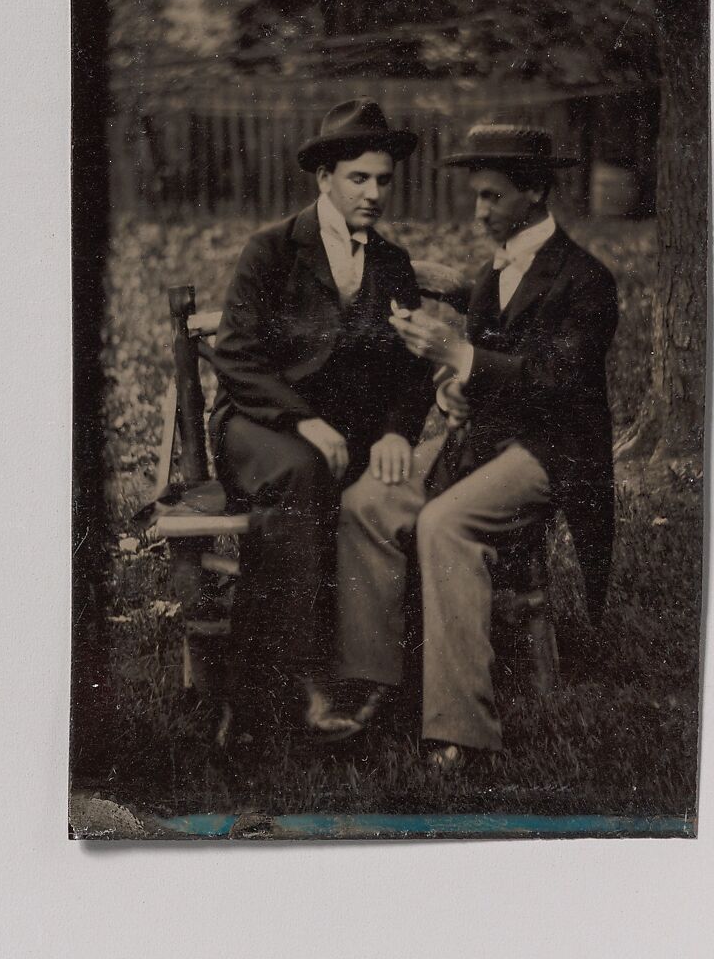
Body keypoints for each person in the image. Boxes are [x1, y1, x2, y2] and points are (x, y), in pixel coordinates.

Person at [335, 122, 619, 770]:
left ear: (535, 193)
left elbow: (556, 382)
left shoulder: (586, 281)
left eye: (491, 197)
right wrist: (451, 393)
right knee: (367, 502)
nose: (479, 211)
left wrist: (459, 354)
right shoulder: (494, 274)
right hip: (485, 437)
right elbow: (486, 373)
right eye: (477, 196)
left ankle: (460, 730)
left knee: (444, 523)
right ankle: (373, 685)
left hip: (552, 452)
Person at [209, 98, 433, 743]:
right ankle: (292, 685)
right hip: (260, 422)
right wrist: (303, 419)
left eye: (383, 180)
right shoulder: (273, 248)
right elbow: (237, 358)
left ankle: (303, 683)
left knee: (358, 488)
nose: (372, 193)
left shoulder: (389, 262)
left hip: (348, 435)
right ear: (325, 179)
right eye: (358, 178)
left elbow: (408, 368)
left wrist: (394, 429)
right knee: (302, 475)